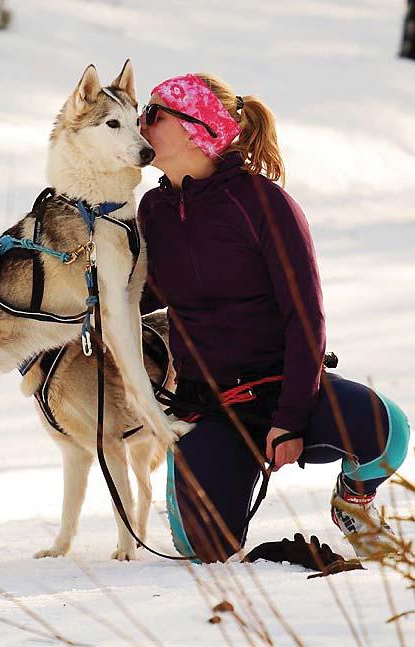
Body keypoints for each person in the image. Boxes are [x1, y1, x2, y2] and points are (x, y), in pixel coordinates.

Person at [137, 73, 410, 562]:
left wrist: (290, 420)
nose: (141, 123)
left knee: (389, 432)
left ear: (197, 127)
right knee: (203, 551)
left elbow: (305, 318)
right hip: (211, 407)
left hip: (286, 390)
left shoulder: (264, 205)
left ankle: (354, 505)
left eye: (154, 114)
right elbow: (145, 295)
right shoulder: (152, 211)